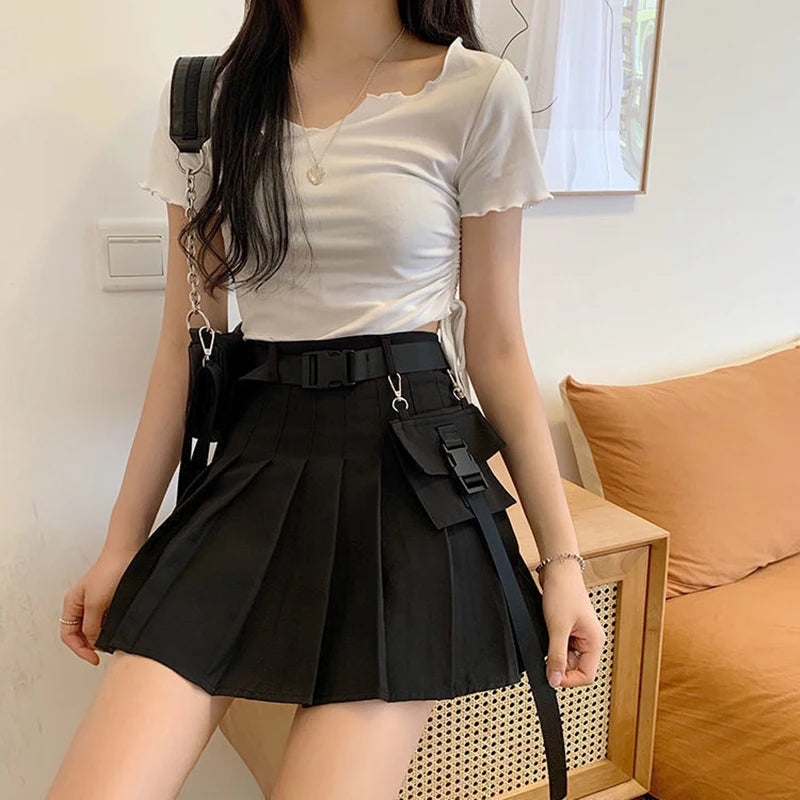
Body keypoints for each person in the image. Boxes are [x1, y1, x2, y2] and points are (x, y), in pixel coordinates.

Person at [47, 2, 605, 798]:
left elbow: (499, 349)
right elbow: (185, 346)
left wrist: (563, 563)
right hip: (258, 460)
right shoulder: (206, 102)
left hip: (406, 482)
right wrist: (121, 544)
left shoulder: (478, 92)